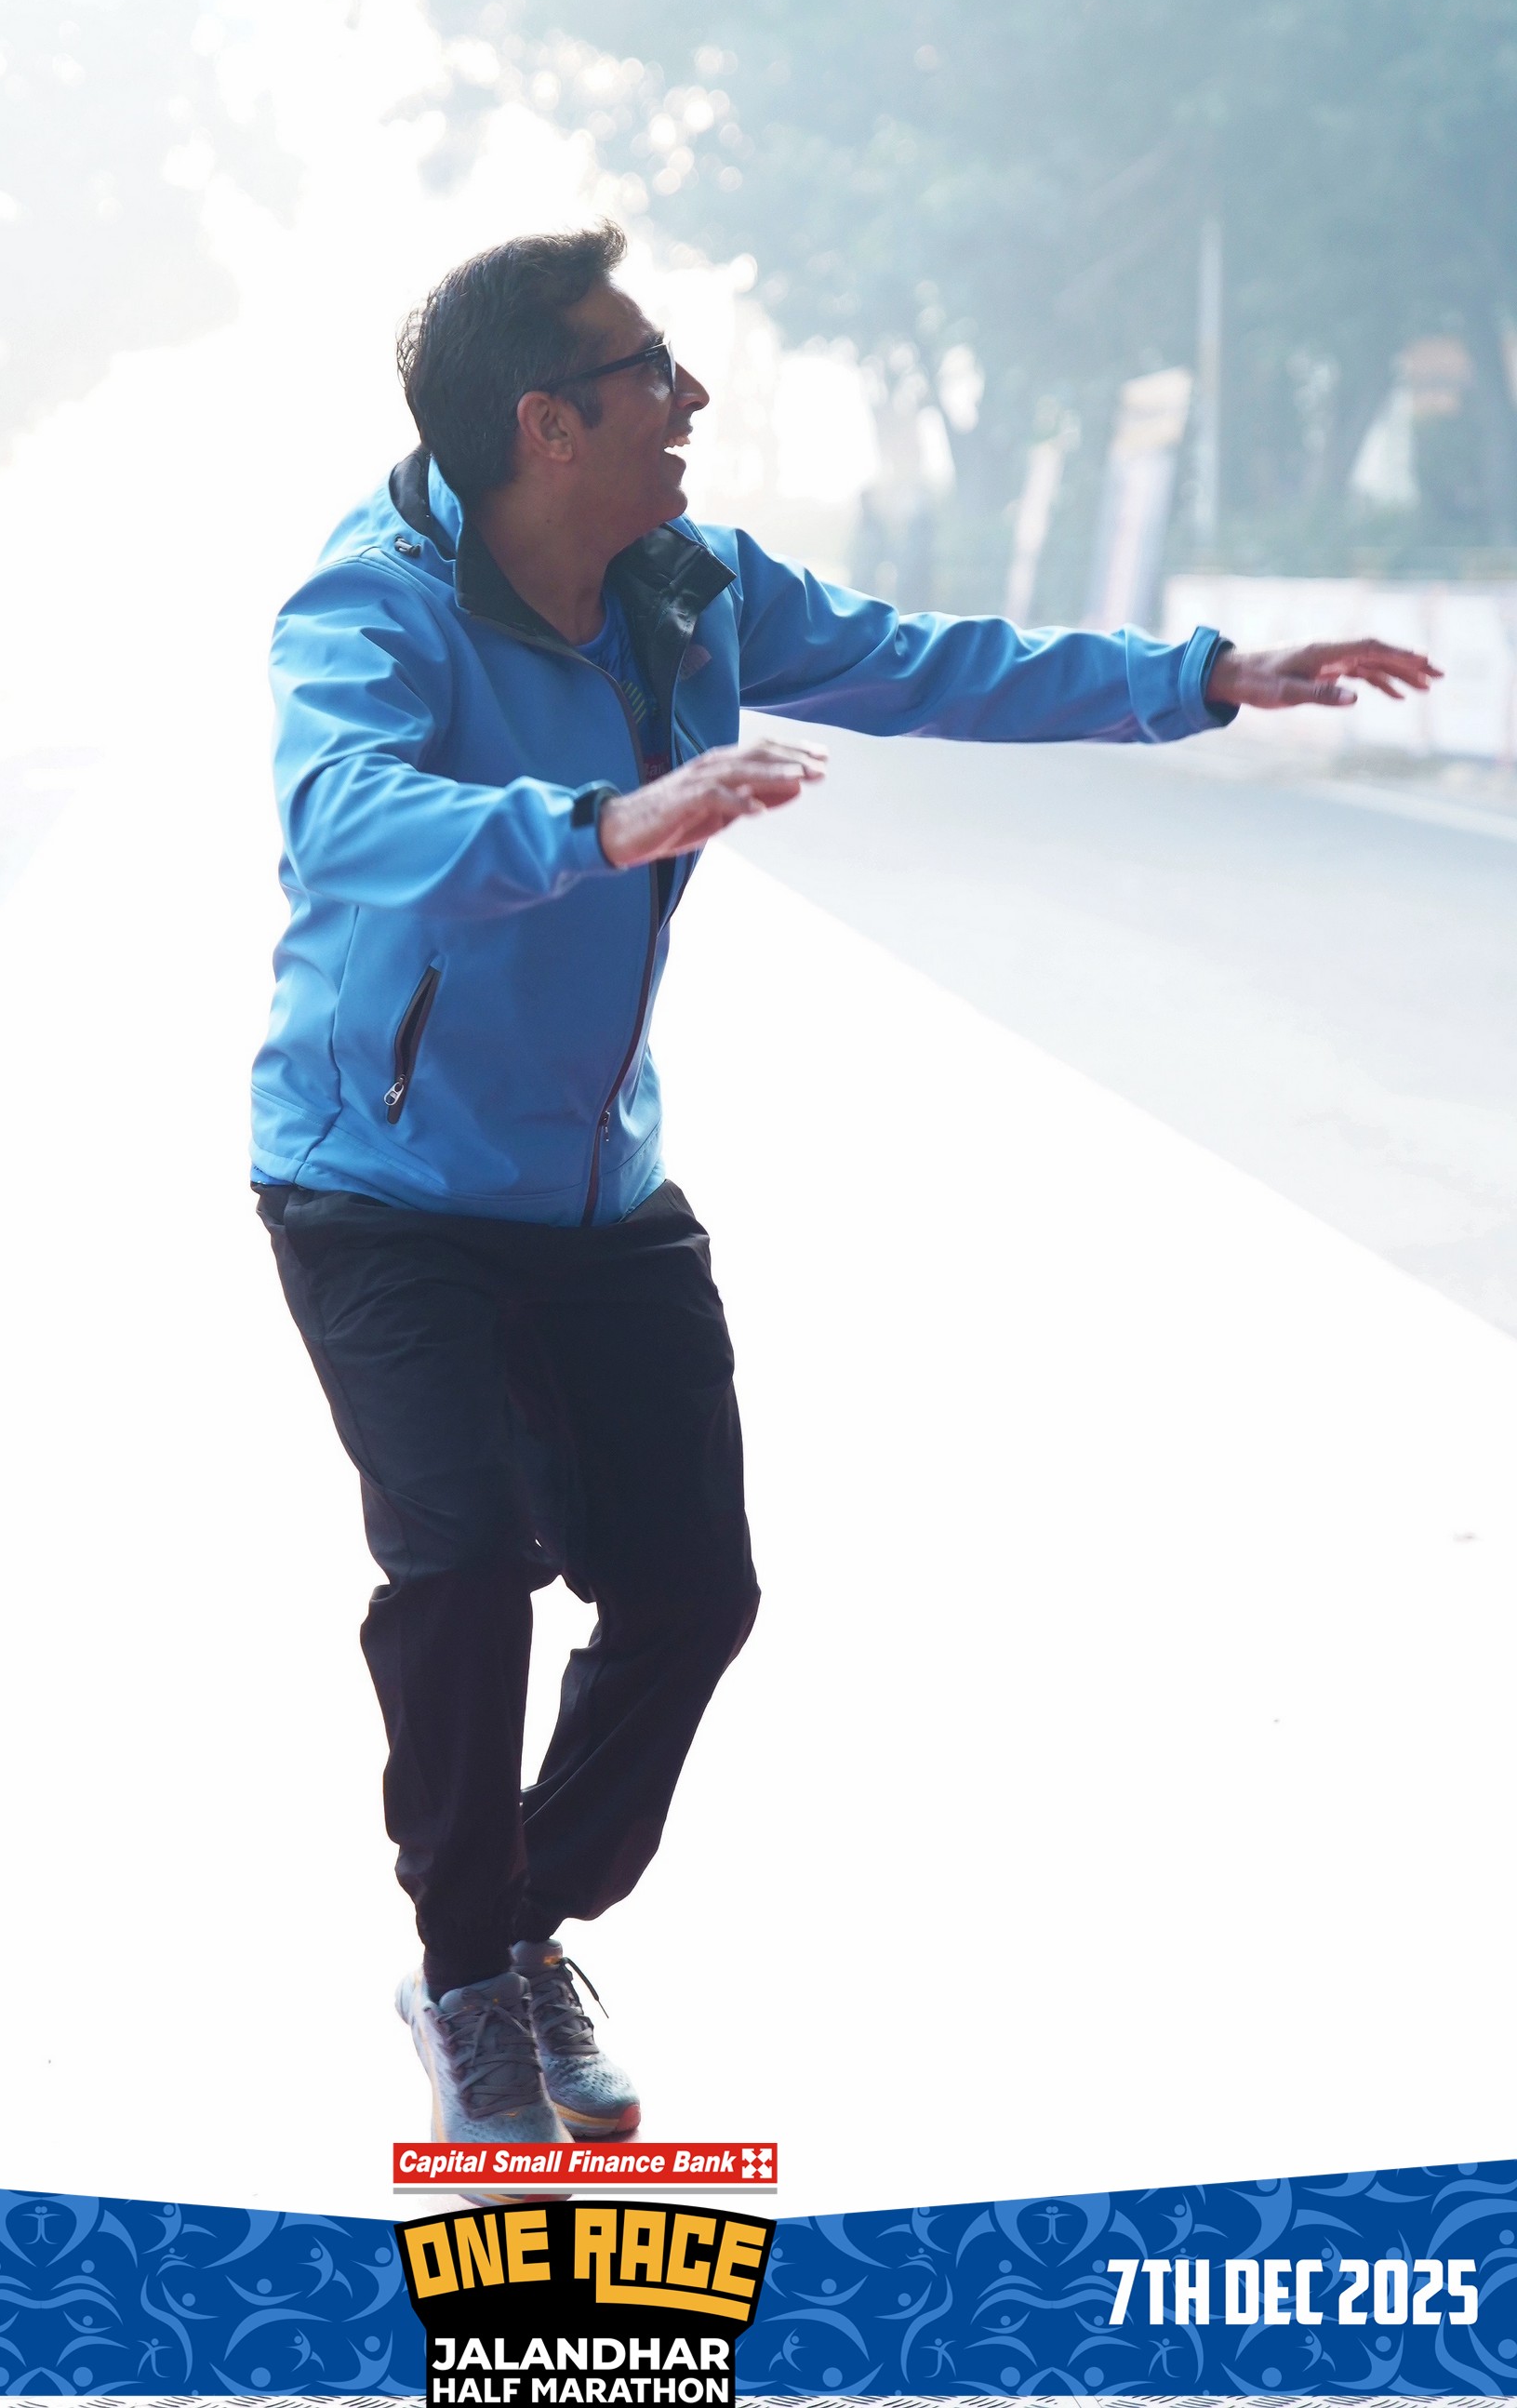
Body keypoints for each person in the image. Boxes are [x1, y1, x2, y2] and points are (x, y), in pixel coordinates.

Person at [250, 223, 1437, 2149]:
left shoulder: (688, 584)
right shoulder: (370, 602)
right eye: (651, 370)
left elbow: (929, 661)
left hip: (594, 1188)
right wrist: (605, 819)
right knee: (460, 1560)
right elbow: (344, 811)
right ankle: (467, 1977)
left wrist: (1210, 672)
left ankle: (517, 1928)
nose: (692, 398)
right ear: (546, 424)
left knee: (692, 1594)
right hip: (376, 1182)